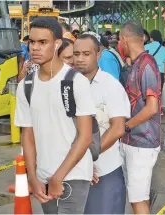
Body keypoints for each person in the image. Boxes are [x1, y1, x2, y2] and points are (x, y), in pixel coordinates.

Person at [14, 17, 96, 214]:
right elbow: (28, 135)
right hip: (43, 178)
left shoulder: (76, 82)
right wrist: (32, 177)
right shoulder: (25, 86)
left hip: (73, 175)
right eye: (31, 42)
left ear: (57, 43)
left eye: (43, 42)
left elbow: (85, 137)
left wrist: (58, 177)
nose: (35, 48)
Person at [72, 34, 131, 214]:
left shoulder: (110, 86)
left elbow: (117, 128)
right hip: (74, 173)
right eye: (76, 54)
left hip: (105, 173)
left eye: (86, 54)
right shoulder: (68, 84)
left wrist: (86, 159)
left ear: (98, 55)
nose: (80, 59)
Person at [119, 21, 162, 214]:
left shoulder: (147, 64)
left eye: (120, 40)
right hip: (132, 140)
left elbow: (152, 108)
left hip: (142, 143)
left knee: (139, 201)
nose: (119, 44)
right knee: (136, 198)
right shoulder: (136, 64)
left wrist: (126, 126)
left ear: (125, 40)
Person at [145, 30, 165, 114]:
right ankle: (158, 109)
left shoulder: (146, 47)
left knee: (149, 91)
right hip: (160, 72)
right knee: (158, 92)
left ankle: (149, 108)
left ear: (151, 37)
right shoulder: (164, 49)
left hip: (148, 71)